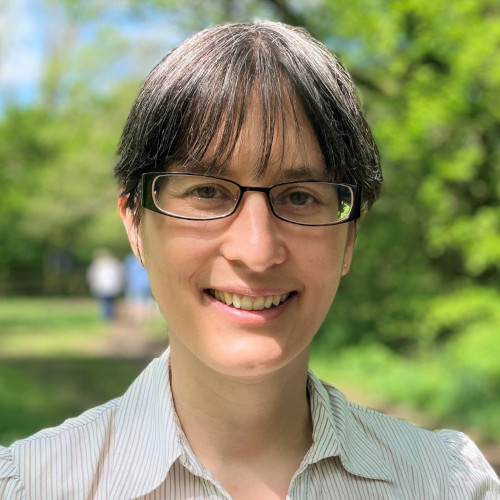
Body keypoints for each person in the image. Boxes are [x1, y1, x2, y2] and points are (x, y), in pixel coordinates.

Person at [0, 21, 498, 500]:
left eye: (300, 197)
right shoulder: (32, 486)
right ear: (135, 223)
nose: (257, 251)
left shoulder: (449, 484)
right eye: (207, 191)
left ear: (349, 238)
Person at [86, 248, 124, 321]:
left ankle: (107, 317)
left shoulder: (97, 264)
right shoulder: (115, 263)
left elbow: (91, 276)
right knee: (110, 302)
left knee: (104, 303)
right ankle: (110, 316)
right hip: (111, 286)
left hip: (102, 287)